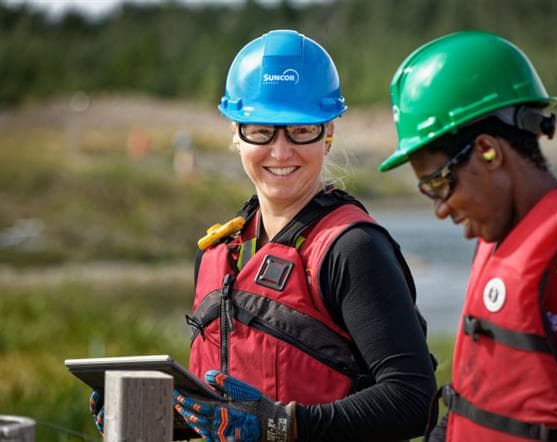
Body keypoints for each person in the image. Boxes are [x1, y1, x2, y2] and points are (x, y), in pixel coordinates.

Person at [90, 30, 437, 441]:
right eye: (261, 130)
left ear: (328, 134)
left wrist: (282, 425)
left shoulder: (352, 249)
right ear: (235, 134)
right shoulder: (218, 254)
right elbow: (227, 416)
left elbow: (413, 401)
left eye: (301, 130)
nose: (280, 151)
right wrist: (161, 414)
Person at [379, 30, 557, 441]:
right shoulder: (500, 251)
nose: (441, 209)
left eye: (440, 184)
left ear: (488, 151)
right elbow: (474, 409)